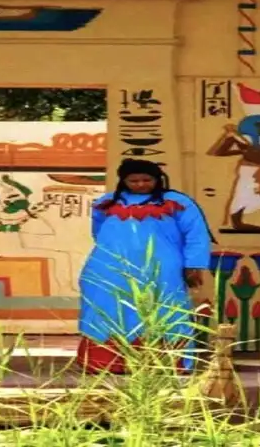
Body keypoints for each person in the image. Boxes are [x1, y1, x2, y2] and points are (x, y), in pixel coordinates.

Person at [77, 158, 211, 374]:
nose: (140, 184)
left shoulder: (178, 202)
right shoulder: (106, 202)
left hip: (161, 268)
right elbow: (98, 232)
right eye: (134, 180)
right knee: (106, 308)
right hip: (108, 268)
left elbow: (196, 235)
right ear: (123, 181)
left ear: (158, 179)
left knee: (163, 307)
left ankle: (164, 365)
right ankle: (105, 363)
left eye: (147, 180)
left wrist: (193, 265)